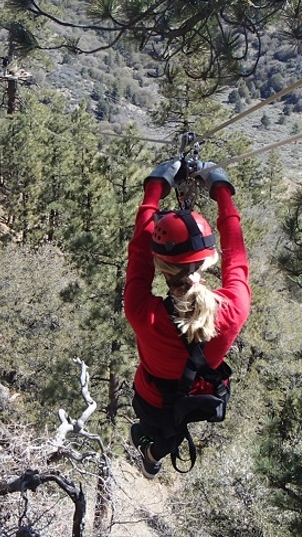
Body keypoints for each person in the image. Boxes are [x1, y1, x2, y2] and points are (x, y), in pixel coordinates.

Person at [123, 159, 250, 478]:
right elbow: (236, 253)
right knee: (170, 429)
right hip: (195, 395)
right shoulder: (233, 310)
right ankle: (152, 454)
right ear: (208, 260)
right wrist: (222, 191)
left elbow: (139, 252)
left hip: (152, 397)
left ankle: (151, 455)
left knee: (163, 431)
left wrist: (155, 187)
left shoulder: (142, 311)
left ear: (161, 266)